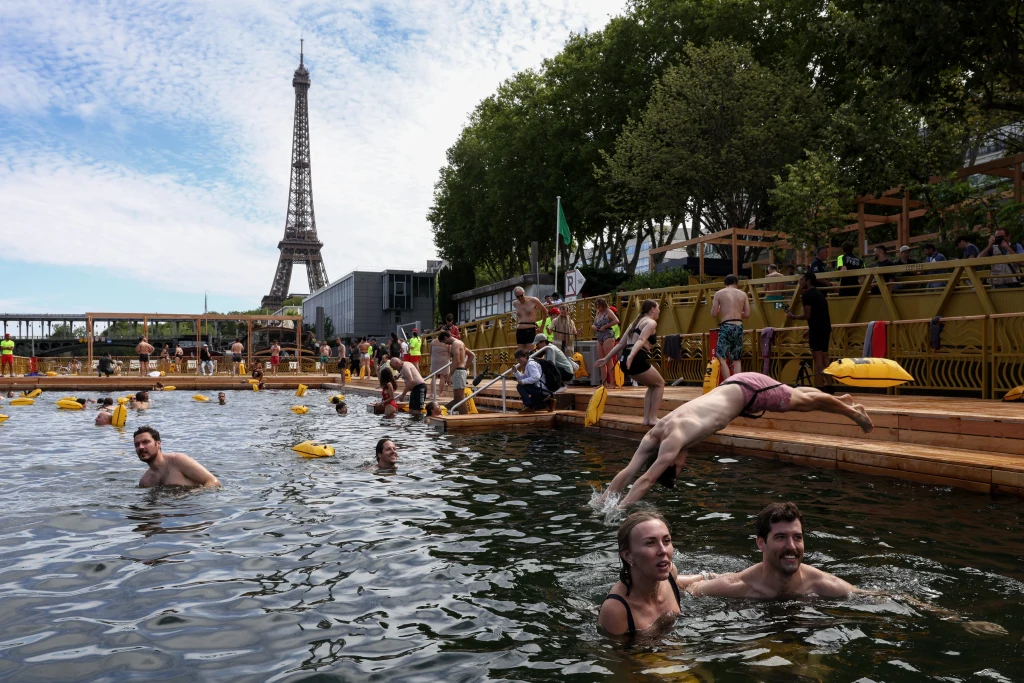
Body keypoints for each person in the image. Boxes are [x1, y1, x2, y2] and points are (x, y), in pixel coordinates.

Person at [596, 373, 873, 507]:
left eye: (679, 469)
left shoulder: (672, 442)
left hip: (747, 391)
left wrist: (618, 512)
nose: (684, 464)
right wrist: (598, 502)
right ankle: (842, 402)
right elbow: (628, 473)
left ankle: (852, 413)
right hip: (734, 388)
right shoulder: (655, 434)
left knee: (803, 401)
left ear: (670, 462)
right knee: (799, 397)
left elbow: (644, 480)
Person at [686, 502, 861, 598]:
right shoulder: (736, 587)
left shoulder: (824, 585)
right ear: (761, 543)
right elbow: (691, 590)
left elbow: (871, 597)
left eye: (797, 537)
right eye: (780, 537)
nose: (791, 546)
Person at [598, 511, 716, 637]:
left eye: (666, 541)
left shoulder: (670, 572)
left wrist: (706, 576)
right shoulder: (616, 610)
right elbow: (617, 656)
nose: (663, 550)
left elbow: (678, 581)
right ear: (628, 555)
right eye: (650, 543)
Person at [595, 300, 665, 427]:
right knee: (660, 384)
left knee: (652, 386)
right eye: (658, 308)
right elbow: (641, 340)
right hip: (635, 358)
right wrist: (632, 357)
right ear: (652, 309)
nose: (659, 310)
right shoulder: (651, 322)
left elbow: (622, 344)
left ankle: (647, 419)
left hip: (625, 359)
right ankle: (653, 418)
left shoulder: (634, 322)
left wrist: (606, 359)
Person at [134, 426, 220, 488]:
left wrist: (197, 498)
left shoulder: (178, 461)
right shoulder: (145, 482)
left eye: (146, 442)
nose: (141, 447)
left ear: (158, 443)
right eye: (137, 445)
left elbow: (213, 481)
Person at [787, 271, 831, 388]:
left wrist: (794, 316)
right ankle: (830, 385)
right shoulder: (820, 294)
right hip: (825, 328)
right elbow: (820, 315)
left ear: (808, 280)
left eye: (802, 280)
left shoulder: (806, 295)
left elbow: (808, 315)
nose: (800, 282)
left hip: (817, 330)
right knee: (825, 356)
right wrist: (810, 329)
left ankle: (820, 386)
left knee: (817, 358)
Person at [710, 274, 750, 380]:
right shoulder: (743, 294)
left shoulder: (719, 293)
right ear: (736, 283)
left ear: (725, 283)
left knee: (721, 357)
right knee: (737, 358)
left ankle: (728, 382)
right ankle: (737, 382)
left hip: (726, 326)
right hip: (738, 326)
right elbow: (747, 314)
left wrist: (720, 310)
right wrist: (737, 312)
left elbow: (713, 314)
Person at [442, 330, 476, 414]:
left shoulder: (455, 344)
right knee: (457, 398)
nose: (446, 344)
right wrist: (465, 367)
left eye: (444, 341)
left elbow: (456, 360)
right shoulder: (460, 343)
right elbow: (471, 355)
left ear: (446, 337)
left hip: (458, 372)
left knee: (460, 398)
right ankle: (444, 409)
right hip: (460, 371)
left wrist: (450, 375)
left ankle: (465, 417)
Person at [592, 298, 619, 389]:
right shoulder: (598, 313)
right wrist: (593, 326)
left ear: (603, 304)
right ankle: (604, 383)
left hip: (607, 334)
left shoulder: (608, 312)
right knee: (601, 361)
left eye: (599, 305)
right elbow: (594, 323)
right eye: (597, 305)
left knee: (608, 359)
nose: (598, 307)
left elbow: (616, 320)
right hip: (599, 335)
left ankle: (612, 382)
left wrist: (606, 326)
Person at [512, 286, 549, 352]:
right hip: (520, 330)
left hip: (530, 329)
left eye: (521, 295)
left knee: (530, 353)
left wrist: (542, 327)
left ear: (524, 293)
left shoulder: (533, 300)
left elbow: (545, 311)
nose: (520, 298)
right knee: (521, 353)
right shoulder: (515, 303)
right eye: (518, 297)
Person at [429, 333, 451, 398]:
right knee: (442, 377)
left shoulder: (433, 342)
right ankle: (440, 393)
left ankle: (432, 393)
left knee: (434, 377)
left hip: (435, 360)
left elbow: (430, 352)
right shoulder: (447, 343)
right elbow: (450, 352)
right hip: (444, 360)